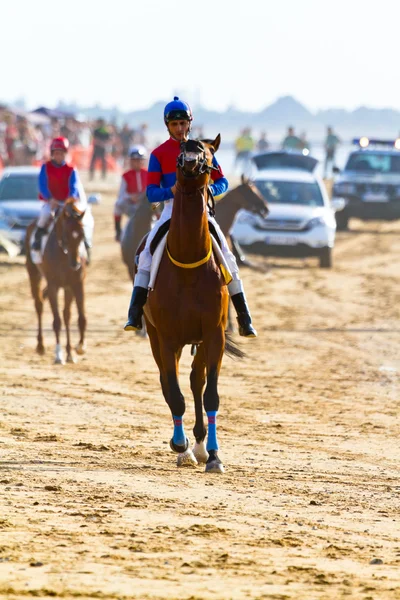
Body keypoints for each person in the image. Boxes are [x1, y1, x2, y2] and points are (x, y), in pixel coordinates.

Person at [124, 97, 257, 338]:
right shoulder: (158, 154)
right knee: (145, 254)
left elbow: (223, 182)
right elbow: (151, 192)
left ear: (189, 124)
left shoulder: (202, 150)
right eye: (174, 124)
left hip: (201, 209)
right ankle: (135, 313)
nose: (179, 129)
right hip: (170, 210)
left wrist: (207, 192)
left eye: (183, 123)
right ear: (167, 126)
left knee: (227, 254)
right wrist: (171, 191)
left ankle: (244, 316)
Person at [32, 137, 90, 260]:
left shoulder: (71, 169)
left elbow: (74, 186)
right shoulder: (45, 167)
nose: (59, 156)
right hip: (51, 202)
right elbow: (42, 185)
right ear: (52, 154)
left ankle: (86, 246)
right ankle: (37, 242)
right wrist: (50, 199)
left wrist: (70, 199)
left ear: (65, 154)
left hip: (67, 203)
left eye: (61, 153)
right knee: (44, 215)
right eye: (56, 153)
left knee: (81, 222)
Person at [114, 146, 148, 241]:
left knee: (158, 206)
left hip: (148, 206)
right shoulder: (126, 176)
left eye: (139, 160)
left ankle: (160, 228)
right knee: (117, 204)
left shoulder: (149, 173)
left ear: (143, 161)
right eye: (134, 160)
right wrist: (130, 197)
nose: (136, 163)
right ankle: (118, 231)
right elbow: (122, 194)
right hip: (132, 207)